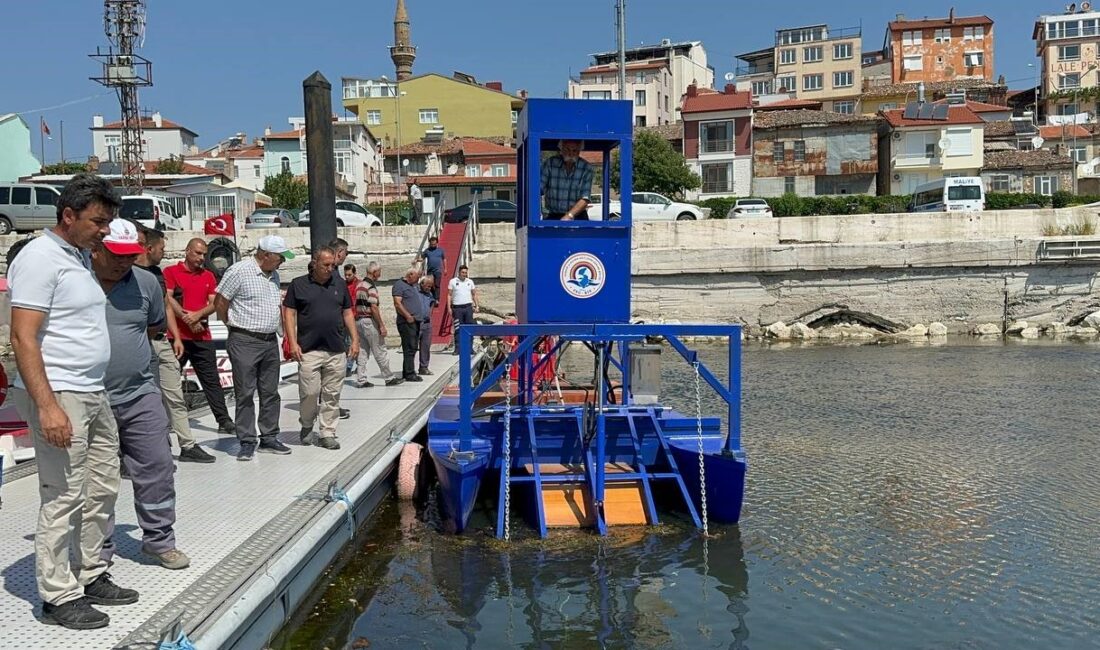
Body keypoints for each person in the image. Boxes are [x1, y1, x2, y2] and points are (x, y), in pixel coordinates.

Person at [7, 173, 138, 630]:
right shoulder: (40, 258)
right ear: (68, 215)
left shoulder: (78, 256)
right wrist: (47, 407)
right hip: (60, 392)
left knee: (102, 486)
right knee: (63, 494)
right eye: (99, 221)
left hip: (91, 391)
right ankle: (58, 596)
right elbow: (23, 337)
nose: (105, 230)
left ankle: (90, 572)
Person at [92, 219, 190, 572]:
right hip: (91, 397)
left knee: (158, 467)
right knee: (97, 480)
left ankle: (159, 540)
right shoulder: (77, 281)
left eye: (130, 255)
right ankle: (97, 549)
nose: (123, 262)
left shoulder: (147, 282)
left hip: (139, 392)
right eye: (115, 255)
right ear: (96, 249)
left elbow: (153, 326)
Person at [136, 227, 215, 464]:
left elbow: (166, 305)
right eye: (161, 249)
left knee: (175, 395)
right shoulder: (130, 274)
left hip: (162, 340)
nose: (164, 252)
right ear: (149, 248)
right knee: (146, 399)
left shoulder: (158, 274)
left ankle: (187, 444)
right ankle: (150, 447)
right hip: (141, 342)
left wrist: (176, 337)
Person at [215, 235, 296, 461]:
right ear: (266, 255)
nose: (282, 262)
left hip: (270, 341)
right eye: (280, 257)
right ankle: (247, 440)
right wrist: (232, 325)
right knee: (245, 393)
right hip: (244, 340)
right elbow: (220, 302)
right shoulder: (239, 271)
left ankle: (269, 437)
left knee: (271, 392)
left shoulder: (274, 275)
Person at [284, 247, 359, 450]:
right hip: (309, 349)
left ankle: (327, 432)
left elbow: (347, 314)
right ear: (314, 263)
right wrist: (292, 342)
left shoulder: (339, 284)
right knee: (309, 391)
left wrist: (354, 340)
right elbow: (289, 314)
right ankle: (307, 424)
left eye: (332, 265)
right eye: (325, 265)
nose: (330, 268)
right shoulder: (298, 285)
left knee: (332, 394)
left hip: (336, 348)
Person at [163, 238, 236, 436]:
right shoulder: (171, 272)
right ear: (187, 251)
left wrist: (198, 315)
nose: (201, 258)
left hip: (201, 336)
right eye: (197, 253)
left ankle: (223, 420)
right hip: (176, 336)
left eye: (204, 254)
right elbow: (167, 298)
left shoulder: (209, 276)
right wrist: (187, 319)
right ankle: (163, 421)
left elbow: (215, 302)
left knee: (211, 380)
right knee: (169, 380)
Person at [355, 261, 403, 388]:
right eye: (379, 272)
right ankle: (388, 377)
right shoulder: (371, 287)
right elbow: (374, 307)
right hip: (369, 321)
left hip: (359, 321)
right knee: (380, 350)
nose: (380, 274)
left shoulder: (360, 285)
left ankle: (361, 379)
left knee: (363, 352)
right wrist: (381, 325)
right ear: (375, 272)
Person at [541, 139, 594, 220]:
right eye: (567, 149)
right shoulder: (550, 164)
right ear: (561, 149)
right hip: (554, 216)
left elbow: (585, 198)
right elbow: (538, 189)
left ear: (579, 150)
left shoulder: (586, 168)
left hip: (578, 216)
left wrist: (569, 215)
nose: (571, 153)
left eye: (575, 150)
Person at [392, 267, 426, 383]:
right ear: (410, 275)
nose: (417, 280)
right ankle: (410, 373)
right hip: (407, 322)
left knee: (412, 347)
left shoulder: (412, 286)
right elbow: (397, 303)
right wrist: (408, 316)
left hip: (414, 321)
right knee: (409, 347)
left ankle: (408, 371)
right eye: (416, 277)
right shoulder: (399, 285)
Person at [447, 264, 479, 355]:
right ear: (459, 272)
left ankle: (470, 349)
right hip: (457, 308)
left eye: (466, 272)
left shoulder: (470, 282)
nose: (464, 274)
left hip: (468, 307)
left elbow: (474, 294)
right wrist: (449, 307)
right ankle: (457, 349)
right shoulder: (453, 281)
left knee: (470, 328)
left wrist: (477, 306)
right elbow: (449, 295)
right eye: (463, 272)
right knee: (458, 328)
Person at [417, 275, 436, 375]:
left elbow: (432, 303)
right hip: (417, 323)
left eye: (430, 286)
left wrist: (430, 313)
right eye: (427, 286)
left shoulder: (429, 294)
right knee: (412, 347)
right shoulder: (415, 292)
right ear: (421, 284)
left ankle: (423, 367)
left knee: (425, 346)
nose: (429, 288)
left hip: (427, 323)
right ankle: (409, 370)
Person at [416, 236, 445, 300]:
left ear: (437, 243)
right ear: (430, 243)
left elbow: (444, 259)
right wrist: (417, 260)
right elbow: (422, 258)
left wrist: (445, 269)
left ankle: (437, 299)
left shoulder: (440, 250)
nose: (433, 245)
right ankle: (432, 297)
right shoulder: (427, 251)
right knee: (430, 284)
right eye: (432, 244)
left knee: (437, 285)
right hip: (430, 270)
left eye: (434, 244)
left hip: (438, 270)